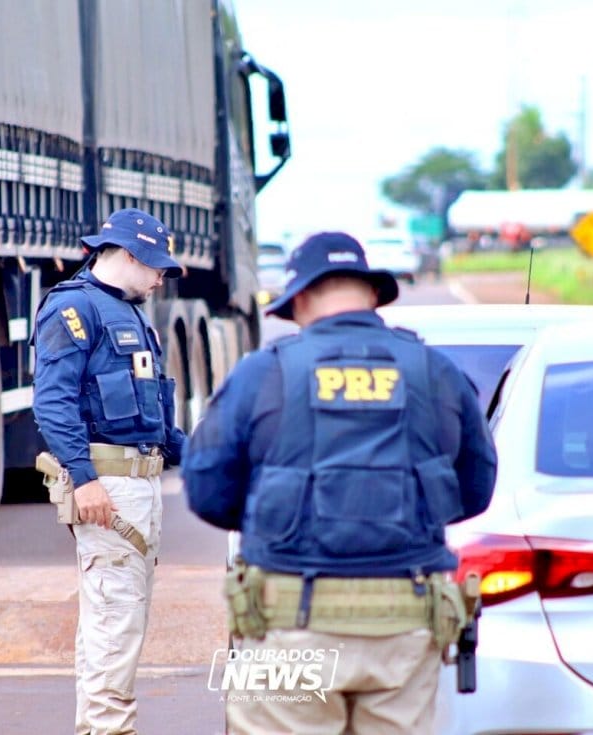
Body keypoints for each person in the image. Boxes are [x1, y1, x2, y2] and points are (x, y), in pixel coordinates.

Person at [182, 231, 497, 734]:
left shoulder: (264, 372)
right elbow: (476, 487)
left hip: (289, 619)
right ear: (372, 294)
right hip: (404, 620)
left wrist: (277, 518)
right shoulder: (434, 371)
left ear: (301, 298)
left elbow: (206, 487)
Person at [32, 207, 186, 735]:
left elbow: (155, 423)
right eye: (156, 265)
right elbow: (53, 404)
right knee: (114, 629)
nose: (162, 275)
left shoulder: (133, 315)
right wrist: (85, 477)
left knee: (115, 628)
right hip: (111, 490)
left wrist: (207, 458)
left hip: (138, 485)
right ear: (124, 254)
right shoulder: (74, 310)